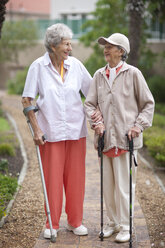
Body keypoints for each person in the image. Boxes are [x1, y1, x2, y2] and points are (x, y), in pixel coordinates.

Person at [22, 23, 101, 239]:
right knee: (53, 179)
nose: (70, 48)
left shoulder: (75, 65)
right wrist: (36, 130)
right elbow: (27, 99)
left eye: (70, 43)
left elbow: (92, 93)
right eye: (67, 44)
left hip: (76, 130)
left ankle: (75, 221)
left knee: (76, 179)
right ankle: (52, 222)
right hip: (50, 132)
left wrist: (98, 119)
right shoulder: (38, 67)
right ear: (54, 45)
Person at [84, 33, 154, 243]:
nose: (106, 49)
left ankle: (126, 225)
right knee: (108, 187)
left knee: (124, 187)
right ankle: (112, 223)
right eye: (105, 45)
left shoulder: (133, 74)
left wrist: (138, 126)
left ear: (121, 51)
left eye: (111, 46)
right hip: (106, 140)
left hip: (126, 140)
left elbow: (148, 104)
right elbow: (89, 104)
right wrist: (97, 122)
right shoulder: (99, 75)